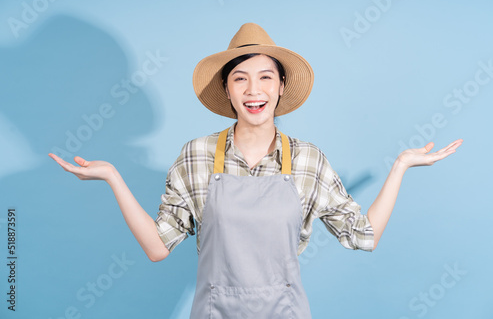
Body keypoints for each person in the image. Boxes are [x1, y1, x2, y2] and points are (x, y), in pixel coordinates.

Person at [48, 23, 463, 318]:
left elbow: (362, 237)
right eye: (240, 79)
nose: (253, 90)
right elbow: (158, 248)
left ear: (281, 86)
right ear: (227, 90)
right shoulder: (195, 156)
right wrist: (114, 179)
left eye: (265, 77)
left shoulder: (307, 160)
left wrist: (401, 166)